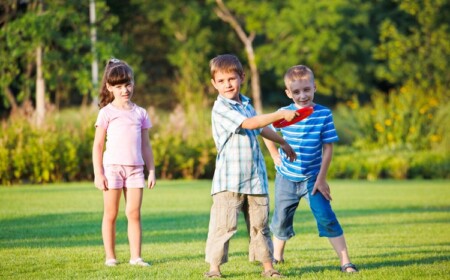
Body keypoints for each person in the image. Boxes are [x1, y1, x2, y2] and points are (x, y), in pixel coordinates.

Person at [204, 54, 299, 278]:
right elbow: (249, 124)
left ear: (242, 78)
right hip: (229, 181)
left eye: (232, 78)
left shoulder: (246, 104)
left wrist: (282, 141)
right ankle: (214, 269)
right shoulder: (221, 108)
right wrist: (278, 114)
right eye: (221, 80)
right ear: (214, 84)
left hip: (255, 179)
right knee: (223, 227)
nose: (227, 84)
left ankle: (268, 268)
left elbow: (260, 128)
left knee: (260, 225)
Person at [265, 65, 358, 273]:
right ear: (288, 93)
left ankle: (346, 262)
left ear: (315, 87)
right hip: (286, 178)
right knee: (281, 219)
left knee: (326, 216)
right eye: (296, 92)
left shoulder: (323, 114)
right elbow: (266, 132)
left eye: (307, 89)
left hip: (313, 179)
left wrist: (322, 178)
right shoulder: (283, 113)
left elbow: (328, 147)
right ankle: (277, 258)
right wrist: (274, 155)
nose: (302, 95)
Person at [92, 58, 156, 267]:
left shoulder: (140, 113)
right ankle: (110, 257)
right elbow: (98, 146)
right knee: (111, 214)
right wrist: (98, 173)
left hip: (136, 170)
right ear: (110, 88)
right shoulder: (106, 113)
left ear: (133, 83)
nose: (124, 90)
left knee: (133, 213)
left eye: (127, 84)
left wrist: (152, 170)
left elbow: (146, 145)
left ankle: (136, 257)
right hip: (112, 170)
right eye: (118, 86)